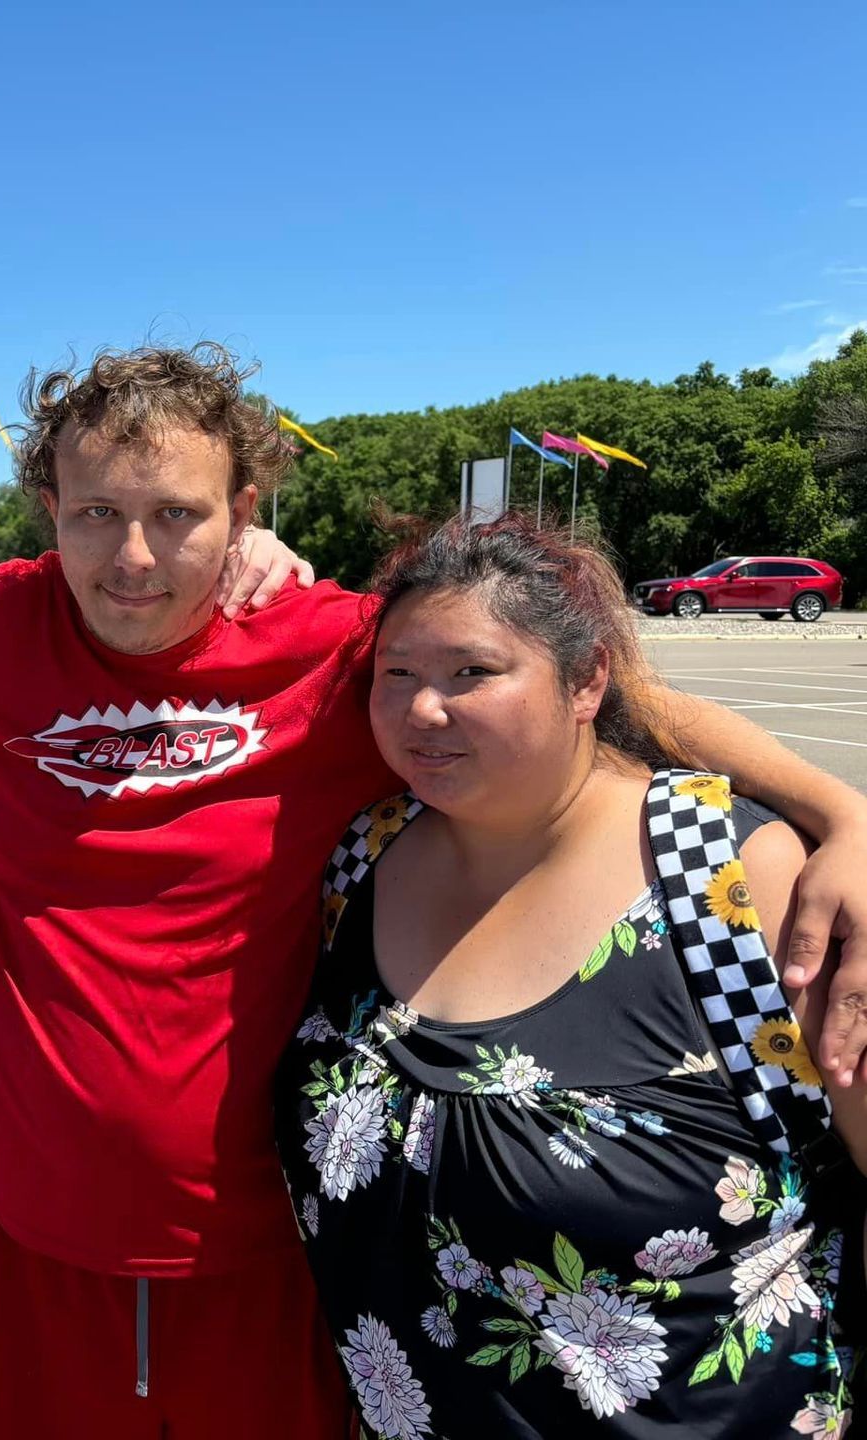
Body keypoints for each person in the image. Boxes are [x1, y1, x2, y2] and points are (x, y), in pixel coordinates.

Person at [0, 344, 867, 1438]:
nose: (134, 557)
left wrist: (837, 808)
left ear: (245, 516)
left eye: (177, 518)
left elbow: (605, 694)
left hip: (265, 1247)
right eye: (97, 513)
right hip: (33, 1237)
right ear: (49, 511)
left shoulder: (341, 653)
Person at [275, 512, 867, 1436]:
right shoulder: (366, 856)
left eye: (473, 672)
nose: (425, 710)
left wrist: (843, 813)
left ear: (588, 678)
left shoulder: (732, 874)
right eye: (398, 675)